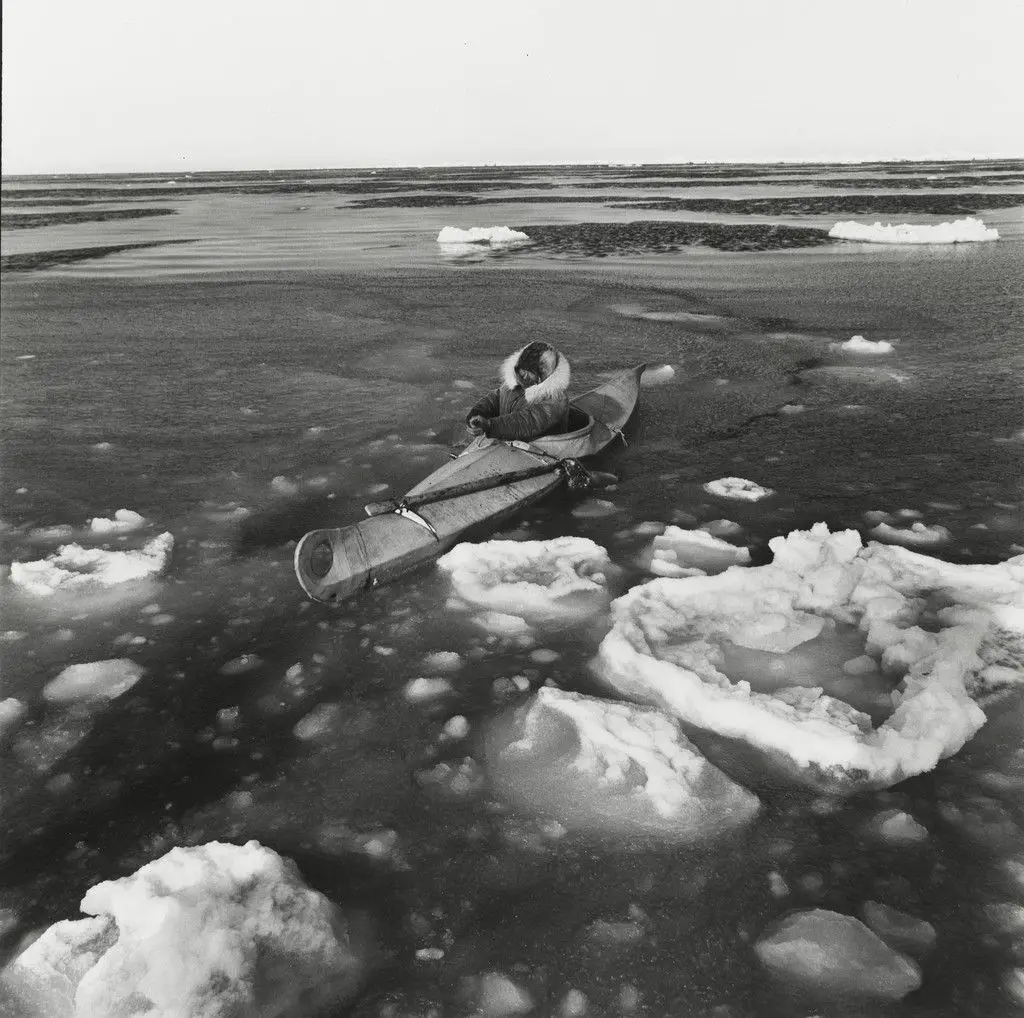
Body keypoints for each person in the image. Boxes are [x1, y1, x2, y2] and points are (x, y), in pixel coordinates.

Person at [465, 341, 571, 442]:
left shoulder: (556, 399)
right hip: (507, 444)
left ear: (544, 376)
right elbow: (496, 398)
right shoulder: (514, 382)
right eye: (522, 369)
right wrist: (477, 413)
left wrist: (491, 425)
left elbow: (529, 421)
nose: (524, 375)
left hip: (542, 450)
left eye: (530, 372)